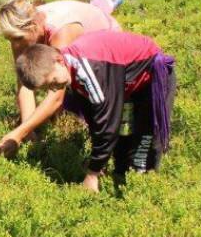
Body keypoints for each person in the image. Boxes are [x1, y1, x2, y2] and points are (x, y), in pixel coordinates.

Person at [13, 30, 176, 190]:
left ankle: (142, 194)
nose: (54, 88)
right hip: (126, 81)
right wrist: (98, 162)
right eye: (48, 87)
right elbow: (95, 119)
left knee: (144, 141)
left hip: (151, 76)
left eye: (53, 81)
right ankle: (121, 182)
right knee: (122, 141)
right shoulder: (69, 68)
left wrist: (92, 173)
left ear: (59, 61)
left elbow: (107, 125)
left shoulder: (89, 71)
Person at [0, 0, 122, 156]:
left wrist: (18, 133)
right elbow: (25, 83)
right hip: (80, 23)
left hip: (106, 40)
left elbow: (57, 96)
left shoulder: (61, 33)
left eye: (16, 39)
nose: (14, 45)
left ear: (32, 26)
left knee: (79, 86)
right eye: (10, 40)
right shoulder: (20, 33)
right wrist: (29, 131)